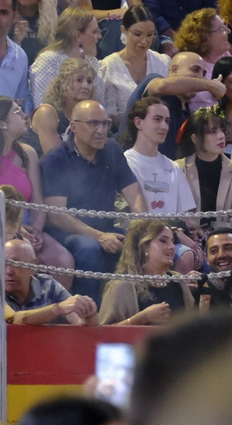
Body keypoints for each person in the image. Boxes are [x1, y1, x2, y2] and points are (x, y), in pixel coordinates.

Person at [39, 98, 149, 303]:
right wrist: (99, 236)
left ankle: (132, 313)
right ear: (74, 127)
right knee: (88, 248)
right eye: (93, 124)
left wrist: (141, 227)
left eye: (106, 124)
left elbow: (135, 194)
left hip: (106, 228)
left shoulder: (112, 150)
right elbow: (57, 216)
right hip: (66, 232)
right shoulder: (56, 160)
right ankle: (88, 316)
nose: (101, 130)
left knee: (146, 244)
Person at [0, 238, 98, 325]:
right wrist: (58, 308)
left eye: (16, 264)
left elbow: (78, 320)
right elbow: (15, 319)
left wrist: (88, 314)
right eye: (3, 264)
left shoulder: (48, 284)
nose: (9, 271)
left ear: (33, 266)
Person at [98, 219, 193, 326]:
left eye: (172, 241)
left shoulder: (178, 280)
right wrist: (141, 319)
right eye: (163, 241)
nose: (171, 246)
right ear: (143, 247)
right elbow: (104, 334)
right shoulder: (121, 285)